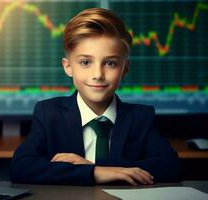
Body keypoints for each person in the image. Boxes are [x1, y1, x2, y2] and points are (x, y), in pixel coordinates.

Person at [10, 7, 180, 186]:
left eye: (110, 63)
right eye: (85, 62)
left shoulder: (140, 117)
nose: (98, 74)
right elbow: (21, 167)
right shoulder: (49, 113)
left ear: (125, 68)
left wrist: (96, 166)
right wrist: (94, 173)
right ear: (68, 67)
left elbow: (170, 166)